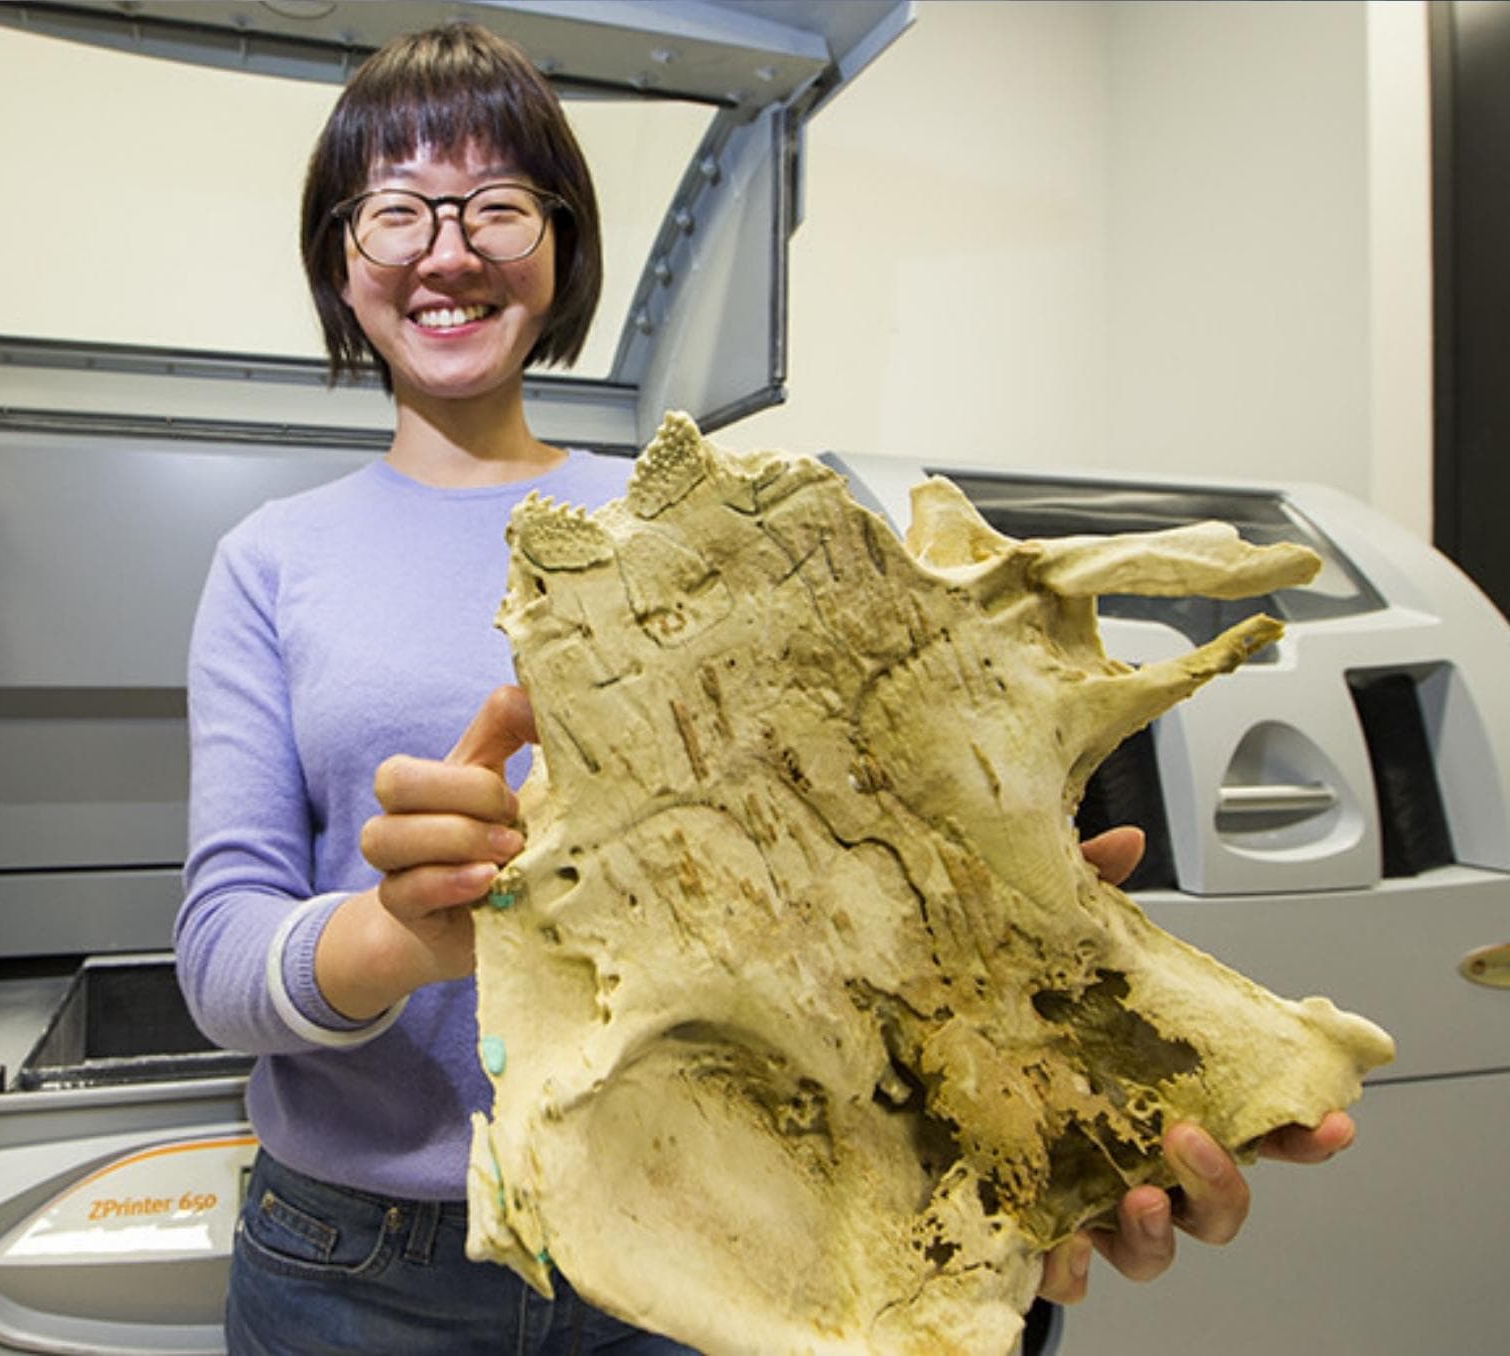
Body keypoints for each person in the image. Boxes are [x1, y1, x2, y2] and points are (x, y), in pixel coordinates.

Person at [176, 20, 1355, 1356]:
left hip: (714, 1223)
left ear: (561, 247)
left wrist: (999, 960)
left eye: (497, 206)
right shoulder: (271, 564)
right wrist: (411, 933)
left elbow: (859, 874)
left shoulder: (712, 518)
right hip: (360, 1277)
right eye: (396, 212)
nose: (448, 251)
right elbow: (219, 957)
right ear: (342, 258)